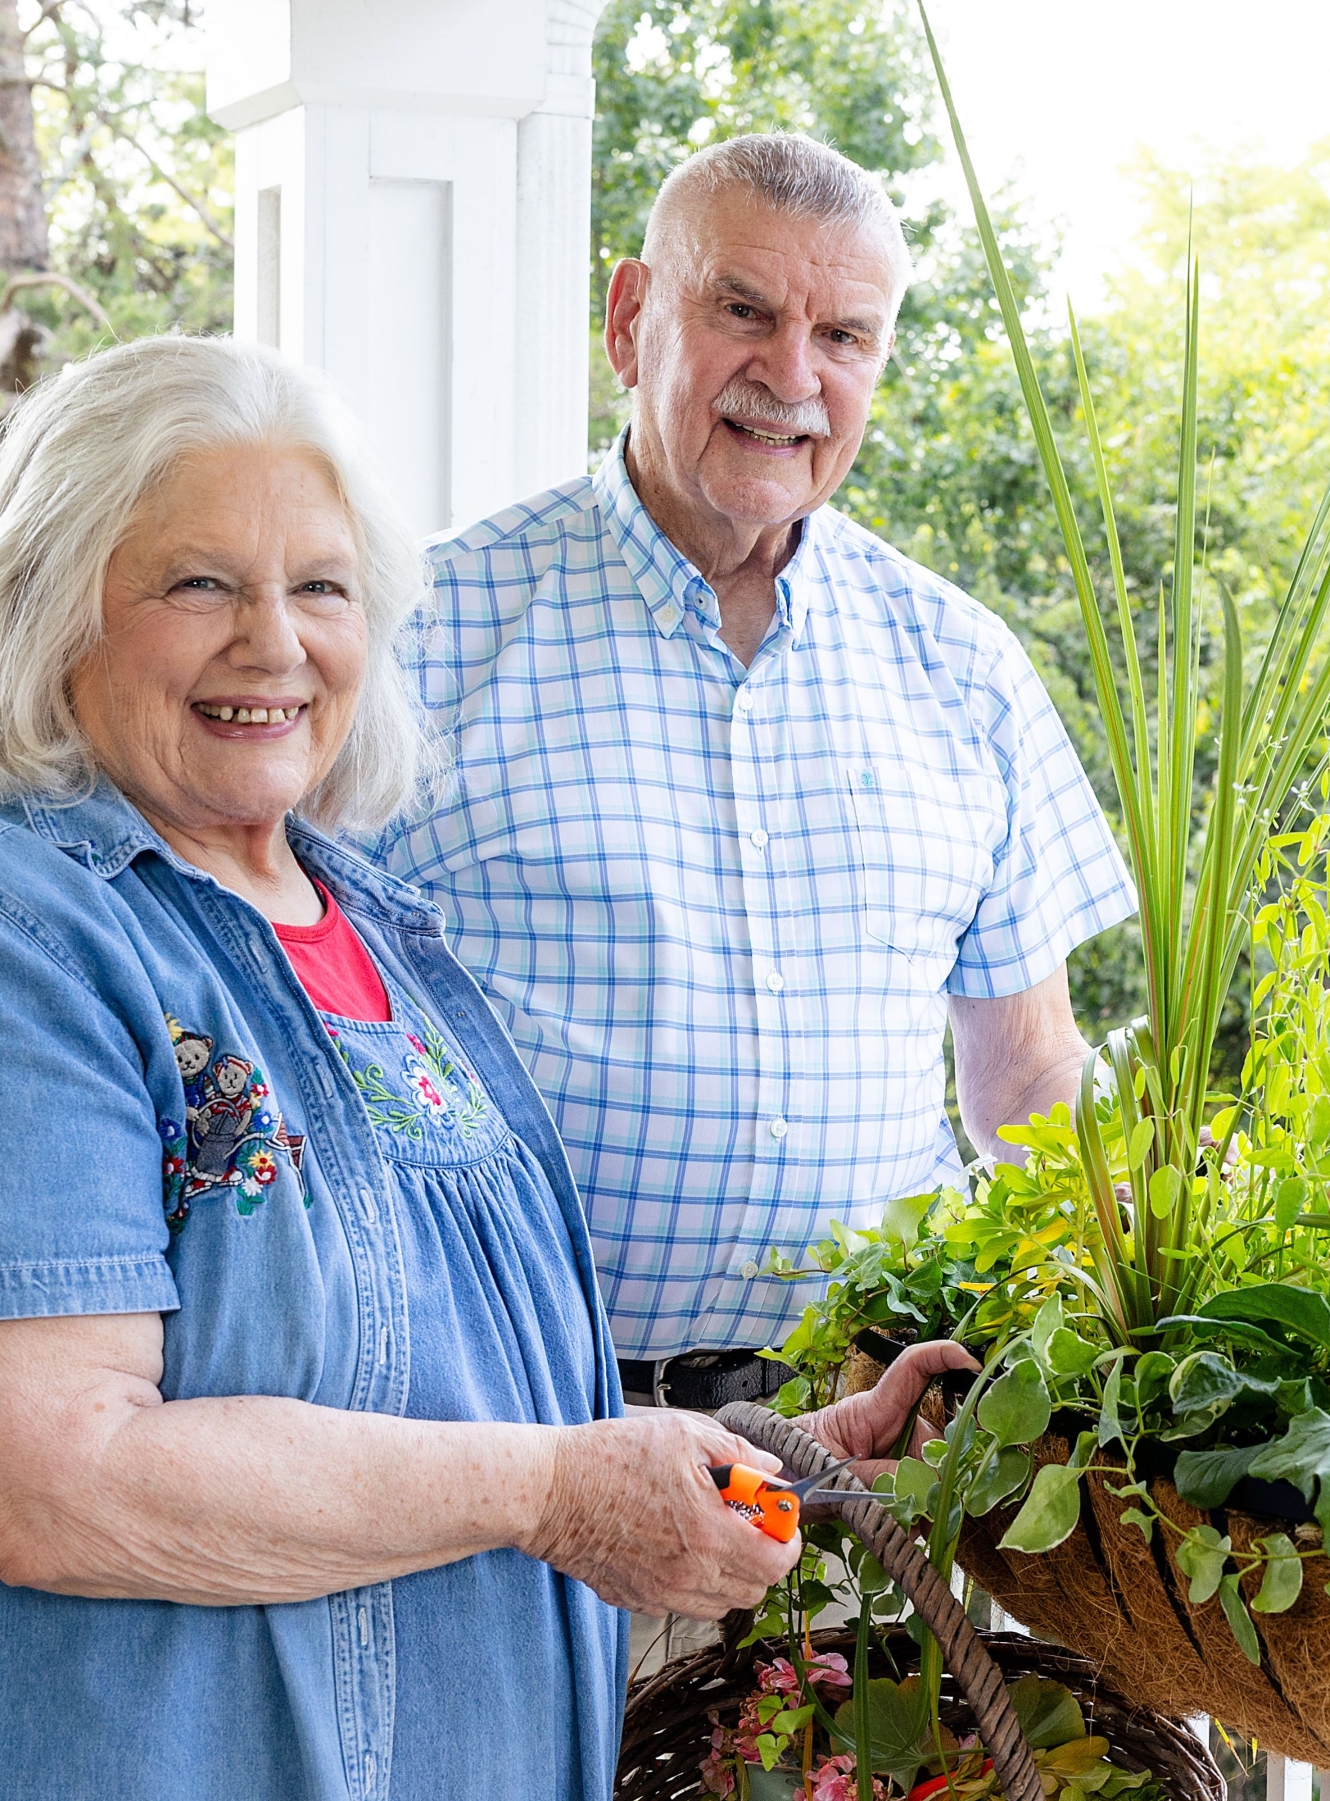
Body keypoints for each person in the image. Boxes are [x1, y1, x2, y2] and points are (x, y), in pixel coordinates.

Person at [0, 335, 957, 1800]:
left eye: (320, 587)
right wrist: (555, 1492)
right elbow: (48, 1483)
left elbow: (419, 1397)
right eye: (200, 585)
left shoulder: (377, 930)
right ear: (55, 615)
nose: (275, 643)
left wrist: (746, 1467)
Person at [370, 134, 1134, 1414]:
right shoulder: (422, 633)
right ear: (629, 319)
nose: (791, 376)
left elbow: (1027, 1081)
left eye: (843, 336)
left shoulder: (960, 663)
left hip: (879, 1445)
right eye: (743, 311)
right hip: (515, 1430)